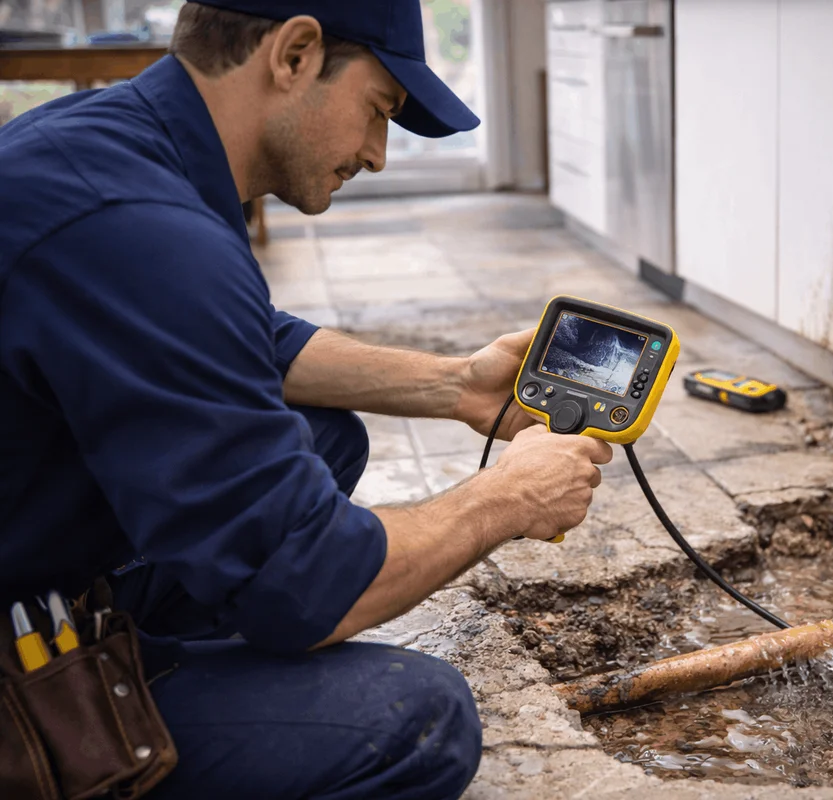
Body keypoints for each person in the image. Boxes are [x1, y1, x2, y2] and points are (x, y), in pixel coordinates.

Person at [0, 1, 612, 797]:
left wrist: (456, 385)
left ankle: (163, 651)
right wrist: (509, 496)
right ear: (294, 54)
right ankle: (96, 717)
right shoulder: (140, 229)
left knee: (326, 436)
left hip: (32, 552)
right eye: (379, 109)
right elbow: (309, 582)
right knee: (417, 720)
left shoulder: (110, 144)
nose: (378, 154)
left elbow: (250, 338)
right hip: (18, 649)